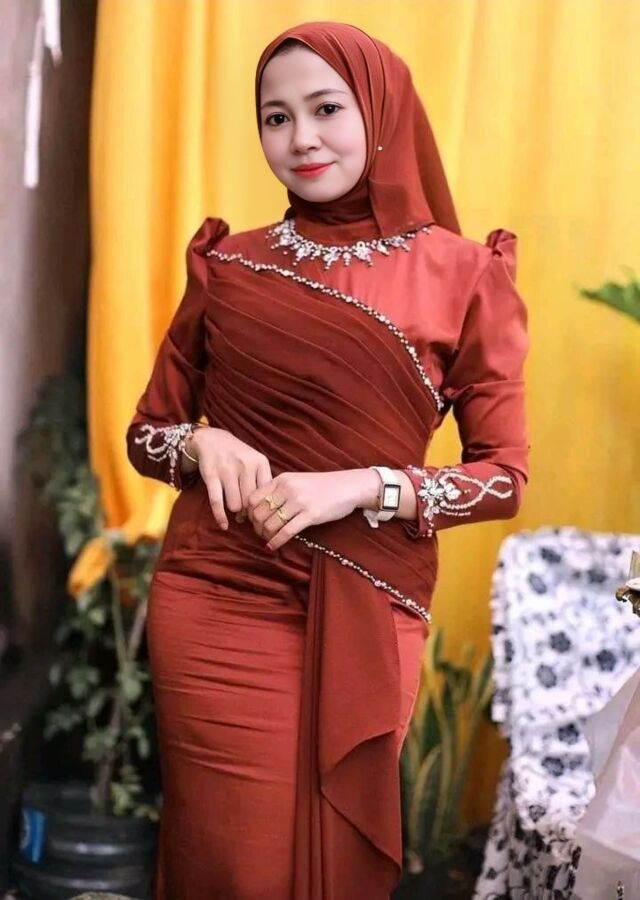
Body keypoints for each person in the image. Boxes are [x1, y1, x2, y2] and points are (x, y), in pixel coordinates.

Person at [126, 20, 529, 900]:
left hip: (365, 602)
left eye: (326, 109)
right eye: (276, 117)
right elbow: (147, 432)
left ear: (381, 112)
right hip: (217, 595)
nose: (301, 138)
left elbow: (503, 478)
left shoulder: (466, 275)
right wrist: (198, 441)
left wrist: (363, 486)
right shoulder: (229, 264)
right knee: (231, 864)